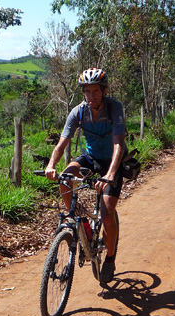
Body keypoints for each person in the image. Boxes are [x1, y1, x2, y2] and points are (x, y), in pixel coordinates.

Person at [44, 67, 127, 284]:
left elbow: (119, 145)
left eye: (95, 92)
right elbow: (62, 143)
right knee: (64, 177)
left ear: (104, 91)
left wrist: (110, 174)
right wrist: (51, 165)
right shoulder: (78, 112)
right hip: (90, 159)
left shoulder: (114, 108)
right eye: (87, 92)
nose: (91, 96)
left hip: (112, 163)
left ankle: (109, 259)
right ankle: (80, 219)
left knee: (107, 214)